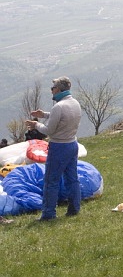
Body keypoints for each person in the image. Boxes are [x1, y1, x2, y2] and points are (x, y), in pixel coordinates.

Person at [25, 76, 82, 221]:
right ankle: (74, 209)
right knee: (72, 179)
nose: (51, 91)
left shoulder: (59, 106)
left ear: (59, 90)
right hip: (72, 144)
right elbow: (63, 116)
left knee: (51, 181)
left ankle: (49, 214)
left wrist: (36, 124)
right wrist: (44, 115)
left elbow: (49, 130)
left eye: (53, 88)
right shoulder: (74, 103)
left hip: (59, 147)